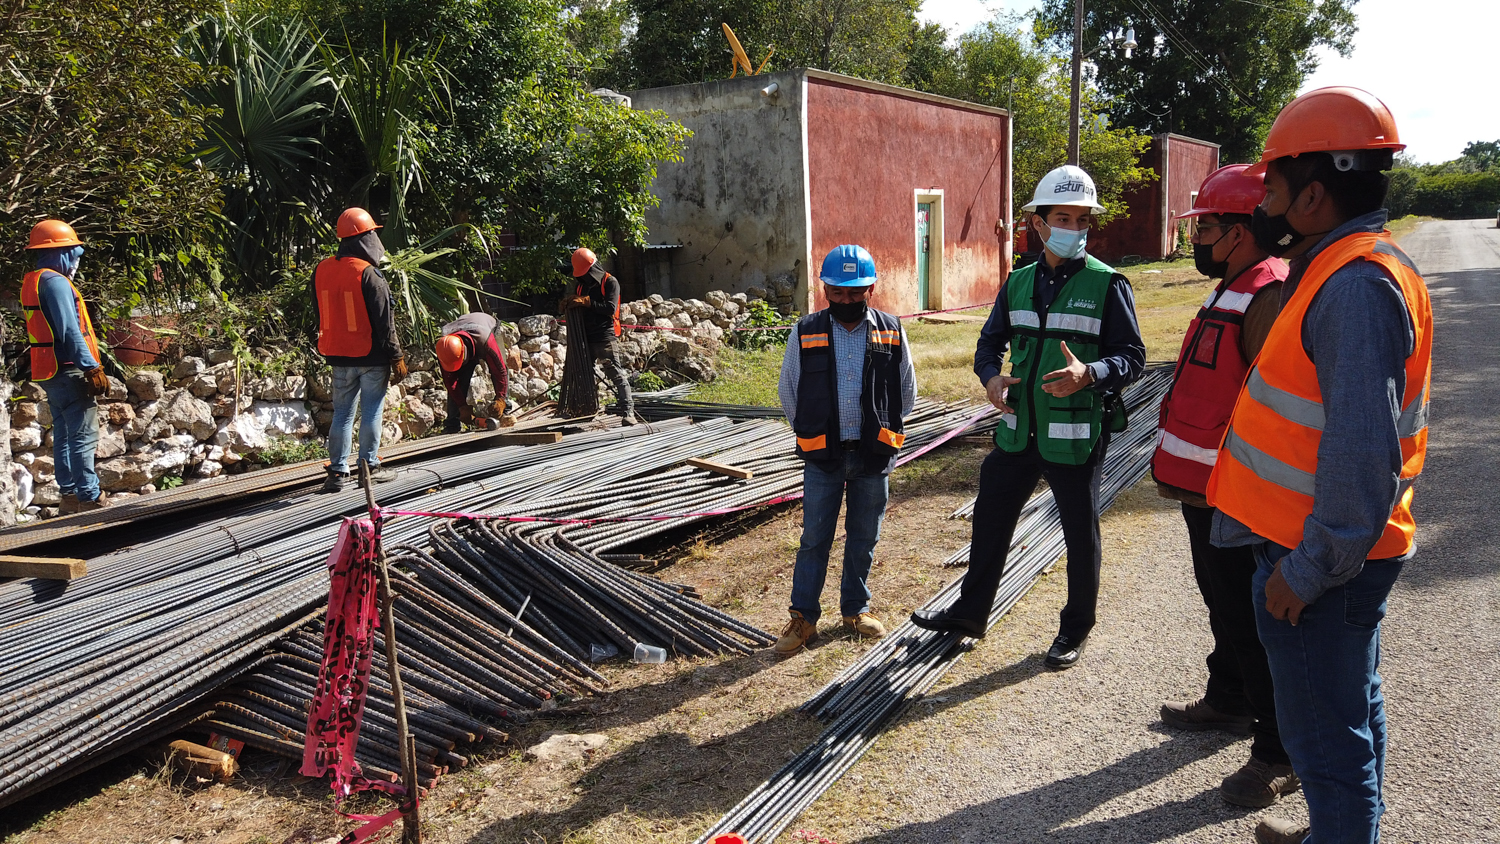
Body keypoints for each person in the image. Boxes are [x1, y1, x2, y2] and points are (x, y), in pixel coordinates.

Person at [1204, 87, 1431, 844]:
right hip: (1328, 552)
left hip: (1323, 561)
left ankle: (1341, 829)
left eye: (1270, 185)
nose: (1260, 200)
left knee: (1327, 742)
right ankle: (1341, 831)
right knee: (1352, 708)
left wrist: (1305, 571)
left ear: (1312, 193)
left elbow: (1362, 453)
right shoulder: (1343, 265)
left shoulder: (1355, 286)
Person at [911, 165, 1146, 669]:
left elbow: (1132, 356)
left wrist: (1092, 372)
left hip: (1075, 434)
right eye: (1064, 217)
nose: (1075, 229)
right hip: (1018, 432)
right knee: (991, 520)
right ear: (1038, 223)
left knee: (1080, 533)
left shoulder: (1108, 285)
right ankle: (971, 613)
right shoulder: (1016, 282)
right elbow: (989, 343)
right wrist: (991, 379)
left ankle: (1075, 629)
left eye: (1083, 220)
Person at [1152, 165, 1296, 808]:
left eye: (1205, 227)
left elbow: (1276, 409)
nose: (1196, 239)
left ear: (1239, 233)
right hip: (1202, 488)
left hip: (1234, 496)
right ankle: (1230, 698)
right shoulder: (1233, 285)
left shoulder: (1266, 295)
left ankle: (1275, 752)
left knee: (1250, 619)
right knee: (1224, 607)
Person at [772, 245, 916, 655]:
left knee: (863, 536)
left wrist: (882, 430)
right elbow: (789, 392)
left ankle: (855, 610)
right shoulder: (805, 329)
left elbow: (907, 391)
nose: (847, 301)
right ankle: (803, 620)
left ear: (870, 289)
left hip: (873, 455)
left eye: (855, 293)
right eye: (838, 293)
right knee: (815, 538)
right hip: (824, 457)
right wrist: (815, 430)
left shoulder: (891, 329)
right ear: (825, 289)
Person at [312, 207, 407, 493]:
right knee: (372, 412)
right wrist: (397, 356)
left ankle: (338, 474)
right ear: (365, 238)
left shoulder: (322, 270)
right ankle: (369, 468)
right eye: (372, 234)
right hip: (371, 356)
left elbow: (319, 312)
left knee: (341, 415)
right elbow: (384, 323)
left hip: (338, 356)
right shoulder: (369, 274)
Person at [19, 220, 111, 514]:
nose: (76, 263)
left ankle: (70, 495)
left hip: (48, 370)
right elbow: (69, 330)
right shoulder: (56, 282)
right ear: (61, 252)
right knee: (83, 435)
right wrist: (92, 368)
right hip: (69, 369)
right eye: (75, 255)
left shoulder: (33, 280)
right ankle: (89, 497)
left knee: (63, 433)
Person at [565, 248, 636, 425]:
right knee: (583, 374)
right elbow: (580, 306)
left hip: (604, 337)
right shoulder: (581, 285)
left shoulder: (610, 282)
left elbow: (610, 309)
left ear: (593, 268)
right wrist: (570, 305)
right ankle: (586, 409)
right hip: (585, 338)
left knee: (616, 374)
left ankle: (628, 412)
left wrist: (588, 302)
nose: (585, 277)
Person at [435, 312, 515, 433]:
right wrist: (462, 406)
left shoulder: (487, 342)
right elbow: (451, 383)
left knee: (499, 367)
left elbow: (500, 372)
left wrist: (501, 399)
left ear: (464, 353)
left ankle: (504, 411)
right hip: (465, 336)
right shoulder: (445, 349)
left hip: (487, 329)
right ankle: (452, 423)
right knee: (460, 380)